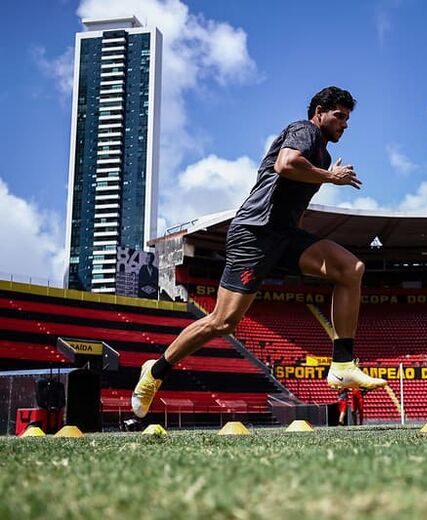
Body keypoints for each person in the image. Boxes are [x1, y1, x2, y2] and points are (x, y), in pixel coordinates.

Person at [130, 86, 387, 418]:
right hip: (254, 233)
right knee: (222, 323)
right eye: (339, 116)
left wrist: (320, 181)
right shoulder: (303, 130)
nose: (345, 124)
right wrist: (331, 177)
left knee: (350, 269)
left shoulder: (322, 154)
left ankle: (342, 363)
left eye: (348, 118)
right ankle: (155, 372)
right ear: (318, 112)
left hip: (284, 236)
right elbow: (286, 163)